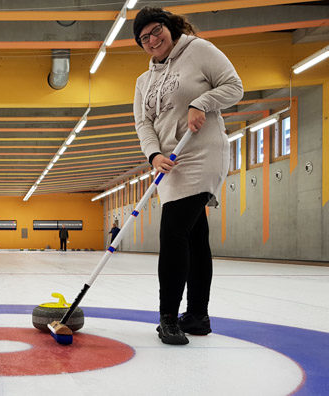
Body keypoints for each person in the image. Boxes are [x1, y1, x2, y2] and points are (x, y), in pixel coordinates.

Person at [132, 7, 243, 345]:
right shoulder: (143, 81)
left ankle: (168, 317)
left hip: (202, 154)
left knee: (174, 234)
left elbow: (234, 87)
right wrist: (154, 155)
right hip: (170, 164)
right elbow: (143, 124)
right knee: (194, 238)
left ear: (170, 26)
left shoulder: (198, 50)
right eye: (144, 37)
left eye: (156, 30)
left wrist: (202, 102)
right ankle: (197, 315)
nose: (152, 40)